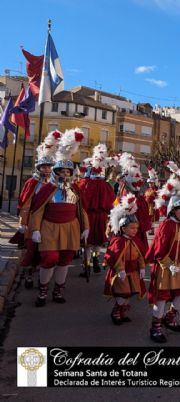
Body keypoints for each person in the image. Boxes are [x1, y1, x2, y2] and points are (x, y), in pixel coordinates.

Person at [29, 129, 90, 307]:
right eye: (61, 171)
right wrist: (35, 230)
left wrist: (85, 227)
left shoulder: (75, 190)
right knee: (49, 259)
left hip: (70, 228)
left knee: (65, 260)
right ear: (56, 171)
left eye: (67, 171)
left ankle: (58, 290)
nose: (65, 174)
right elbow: (37, 210)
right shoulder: (48, 189)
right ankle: (43, 290)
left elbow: (81, 210)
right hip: (49, 228)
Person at [147, 167, 180, 343]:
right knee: (162, 298)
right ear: (173, 209)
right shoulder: (167, 225)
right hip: (166, 268)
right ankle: (156, 326)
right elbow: (159, 250)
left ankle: (170, 317)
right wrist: (168, 264)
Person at [16, 131, 59, 289]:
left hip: (48, 223)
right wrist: (23, 223)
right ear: (39, 167)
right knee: (31, 250)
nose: (47, 169)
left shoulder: (55, 183)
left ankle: (43, 278)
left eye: (49, 166)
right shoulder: (31, 182)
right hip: (32, 221)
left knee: (46, 251)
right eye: (45, 166)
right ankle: (29, 274)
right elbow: (25, 204)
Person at [103, 194, 147, 325]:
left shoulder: (135, 241)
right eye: (132, 228)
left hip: (133, 271)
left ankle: (122, 311)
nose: (135, 231)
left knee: (130, 293)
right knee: (122, 294)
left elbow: (140, 255)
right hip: (122, 272)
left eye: (136, 228)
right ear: (123, 228)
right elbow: (116, 257)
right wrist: (120, 269)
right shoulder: (118, 241)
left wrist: (142, 267)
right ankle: (116, 311)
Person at [77, 144, 116, 276]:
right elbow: (111, 200)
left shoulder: (85, 183)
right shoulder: (106, 185)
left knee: (87, 242)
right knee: (98, 240)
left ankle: (86, 265)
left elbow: (80, 198)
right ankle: (95, 258)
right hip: (102, 216)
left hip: (88, 216)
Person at [117, 153, 152, 255]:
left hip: (138, 229)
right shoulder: (124, 193)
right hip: (126, 228)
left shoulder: (140, 198)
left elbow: (144, 214)